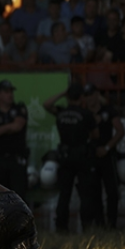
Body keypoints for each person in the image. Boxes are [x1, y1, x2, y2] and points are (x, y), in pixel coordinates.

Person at [44, 84, 97, 233]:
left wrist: (63, 93)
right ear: (82, 97)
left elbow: (46, 104)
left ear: (68, 97)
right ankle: (87, 226)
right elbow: (95, 135)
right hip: (82, 156)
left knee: (64, 193)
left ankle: (61, 227)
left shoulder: (61, 112)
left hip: (65, 156)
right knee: (85, 194)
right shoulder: (86, 114)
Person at [84, 85, 124, 229]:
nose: (89, 98)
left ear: (97, 94)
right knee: (94, 191)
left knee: (112, 190)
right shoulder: (84, 113)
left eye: (91, 94)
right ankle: (99, 223)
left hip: (108, 155)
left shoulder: (108, 110)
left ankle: (112, 223)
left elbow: (120, 131)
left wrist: (107, 147)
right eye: (86, 95)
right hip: (91, 154)